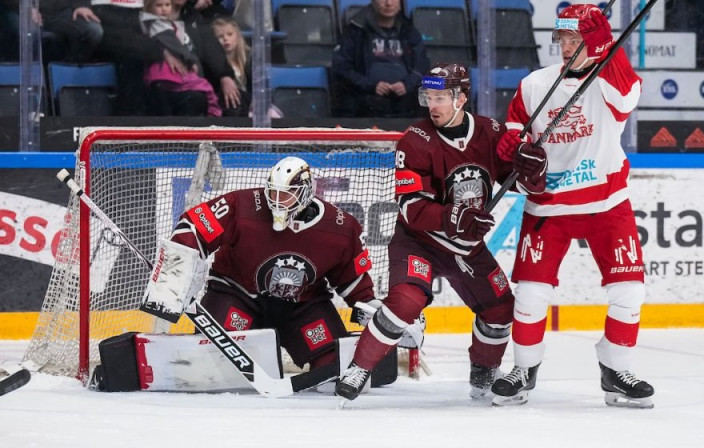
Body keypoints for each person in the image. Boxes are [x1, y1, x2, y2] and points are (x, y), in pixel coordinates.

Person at [334, 63, 548, 401]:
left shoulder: (490, 132)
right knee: (406, 300)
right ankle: (359, 368)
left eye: (440, 97)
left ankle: (484, 376)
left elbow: (521, 182)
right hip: (419, 242)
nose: (432, 105)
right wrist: (458, 217)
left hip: (466, 247)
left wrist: (533, 169)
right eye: (428, 97)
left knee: (500, 308)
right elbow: (411, 207)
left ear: (461, 98)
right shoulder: (415, 141)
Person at [488, 4, 655, 409]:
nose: (566, 48)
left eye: (576, 40)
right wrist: (515, 153)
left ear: (593, 43)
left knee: (629, 292)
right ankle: (524, 369)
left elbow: (628, 94)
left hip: (606, 202)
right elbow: (513, 133)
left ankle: (615, 368)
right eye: (562, 39)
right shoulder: (534, 85)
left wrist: (607, 49)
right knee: (528, 294)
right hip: (548, 205)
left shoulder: (608, 81)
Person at [142, 156, 380, 373]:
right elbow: (193, 226)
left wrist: (374, 313)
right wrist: (180, 268)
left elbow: (353, 282)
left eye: (286, 194)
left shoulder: (340, 227)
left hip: (302, 306)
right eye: (273, 192)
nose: (277, 201)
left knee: (336, 366)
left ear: (306, 193)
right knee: (215, 362)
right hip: (238, 295)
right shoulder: (243, 204)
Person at [331, 0, 429, 118]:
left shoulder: (409, 31)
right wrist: (371, 86)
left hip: (406, 103)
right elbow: (341, 68)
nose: (389, 3)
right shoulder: (355, 31)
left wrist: (407, 85)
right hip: (365, 104)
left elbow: (422, 65)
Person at [140, 0, 222, 116]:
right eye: (159, 5)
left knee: (200, 91)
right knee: (203, 87)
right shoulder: (155, 23)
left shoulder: (172, 24)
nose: (164, 9)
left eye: (167, 5)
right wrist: (190, 60)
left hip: (172, 75)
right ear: (150, 7)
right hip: (163, 75)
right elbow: (175, 45)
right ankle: (213, 113)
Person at [38, 0, 104, 64]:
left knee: (94, 30)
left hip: (66, 11)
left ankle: (71, 67)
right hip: (34, 11)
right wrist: (29, 8)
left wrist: (82, 5)